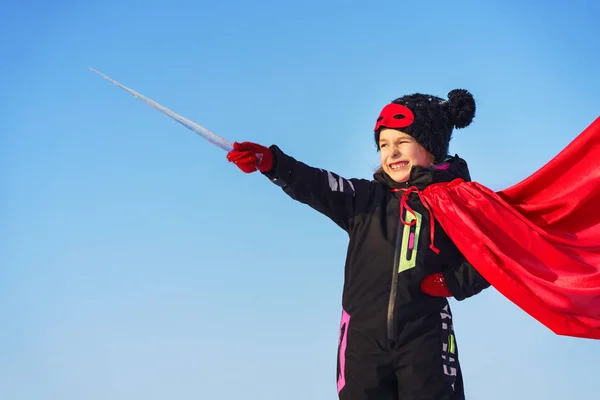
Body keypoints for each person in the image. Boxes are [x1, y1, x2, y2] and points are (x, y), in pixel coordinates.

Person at [226, 89, 490, 399]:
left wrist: (455, 281)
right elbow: (316, 183)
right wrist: (271, 162)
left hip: (426, 335)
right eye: (383, 145)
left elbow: (496, 252)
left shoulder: (457, 202)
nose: (391, 154)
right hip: (363, 339)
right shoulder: (364, 199)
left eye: (403, 142)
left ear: (430, 147)